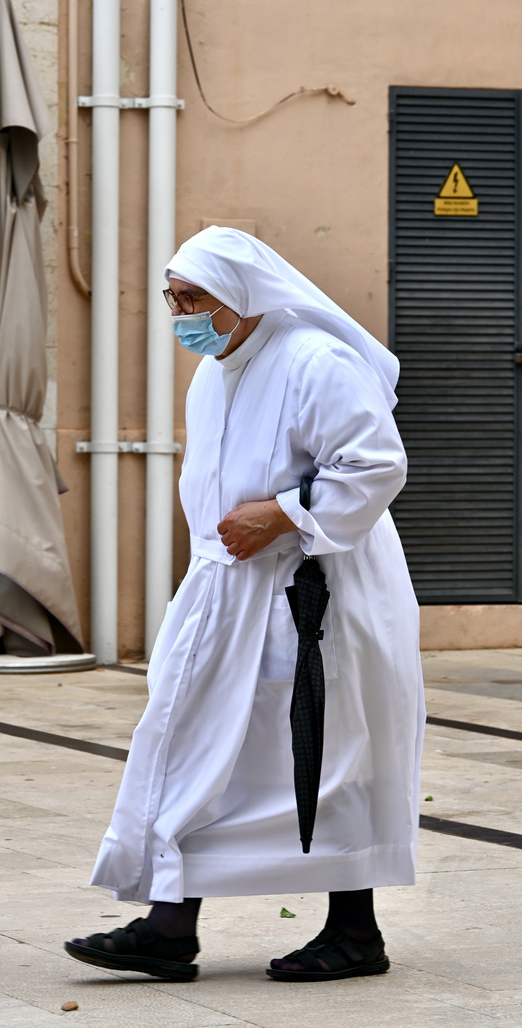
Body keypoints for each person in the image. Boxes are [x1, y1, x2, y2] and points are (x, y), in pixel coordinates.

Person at [65, 226, 425, 983]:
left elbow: (375, 464)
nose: (179, 312)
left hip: (314, 599)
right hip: (226, 593)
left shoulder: (314, 360)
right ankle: (168, 925)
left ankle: (354, 932)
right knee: (196, 742)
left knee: (326, 754)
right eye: (173, 297)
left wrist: (285, 512)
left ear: (244, 295)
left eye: (193, 297)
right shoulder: (216, 368)